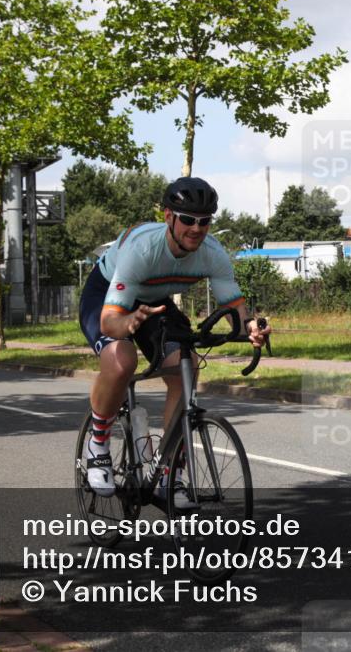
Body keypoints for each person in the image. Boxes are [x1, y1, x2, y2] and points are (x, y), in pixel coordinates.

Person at [78, 177, 270, 498]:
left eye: (205, 221)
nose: (196, 228)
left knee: (187, 364)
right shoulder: (142, 250)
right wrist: (127, 324)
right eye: (188, 220)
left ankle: (169, 471)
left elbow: (235, 310)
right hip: (107, 297)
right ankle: (97, 444)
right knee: (121, 359)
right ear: (168, 216)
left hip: (154, 302)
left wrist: (249, 328)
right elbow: (110, 322)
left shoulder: (213, 253)